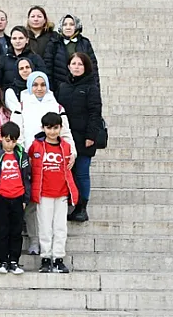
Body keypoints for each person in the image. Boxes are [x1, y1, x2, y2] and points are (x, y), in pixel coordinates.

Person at [56, 52, 102, 223]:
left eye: (80, 64)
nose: (76, 67)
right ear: (68, 66)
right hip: (67, 136)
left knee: (82, 172)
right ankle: (70, 200)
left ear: (86, 67)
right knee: (68, 170)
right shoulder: (63, 86)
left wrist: (91, 136)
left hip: (84, 137)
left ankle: (82, 207)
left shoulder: (91, 87)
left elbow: (95, 113)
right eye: (73, 64)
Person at [30, 111, 77, 274]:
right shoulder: (36, 145)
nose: (52, 131)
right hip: (43, 193)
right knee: (44, 227)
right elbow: (31, 165)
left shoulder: (66, 146)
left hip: (62, 193)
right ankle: (45, 258)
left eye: (55, 128)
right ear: (43, 128)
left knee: (60, 227)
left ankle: (58, 258)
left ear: (60, 128)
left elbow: (69, 169)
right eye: (48, 128)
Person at [0, 121, 31, 274]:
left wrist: (25, 198)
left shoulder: (22, 155)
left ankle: (14, 261)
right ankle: (3, 261)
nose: (10, 144)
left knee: (16, 231)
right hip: (1, 198)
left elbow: (27, 178)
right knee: (0, 231)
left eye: (13, 140)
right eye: (7, 140)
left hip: (17, 197)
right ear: (1, 138)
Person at [45, 13, 100, 93]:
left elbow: (93, 67)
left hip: (82, 89)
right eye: (65, 24)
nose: (68, 27)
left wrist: (95, 88)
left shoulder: (85, 43)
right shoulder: (54, 43)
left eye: (71, 24)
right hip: (60, 89)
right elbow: (48, 68)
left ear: (76, 26)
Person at [0, 27, 48, 91]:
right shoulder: (3, 59)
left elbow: (42, 80)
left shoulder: (35, 58)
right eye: (14, 38)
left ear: (27, 40)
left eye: (21, 38)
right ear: (11, 41)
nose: (17, 41)